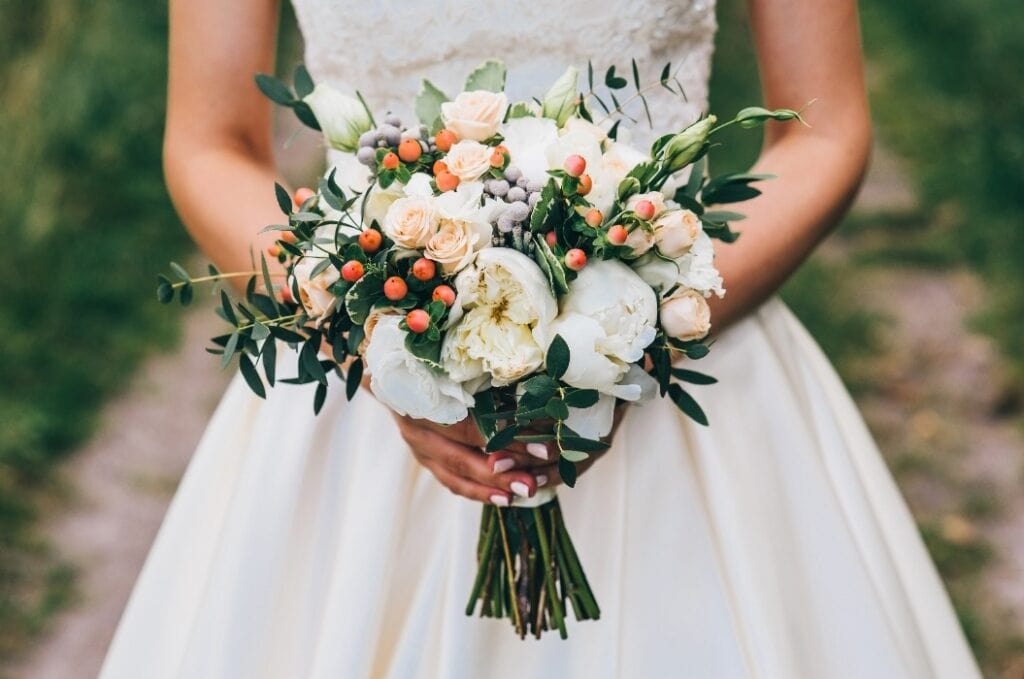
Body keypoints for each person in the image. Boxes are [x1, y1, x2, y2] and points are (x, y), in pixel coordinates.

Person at [100, 1, 982, 677]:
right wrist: (375, 340)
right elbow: (210, 141)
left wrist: (633, 326)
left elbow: (826, 130)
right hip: (370, 385)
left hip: (678, 362)